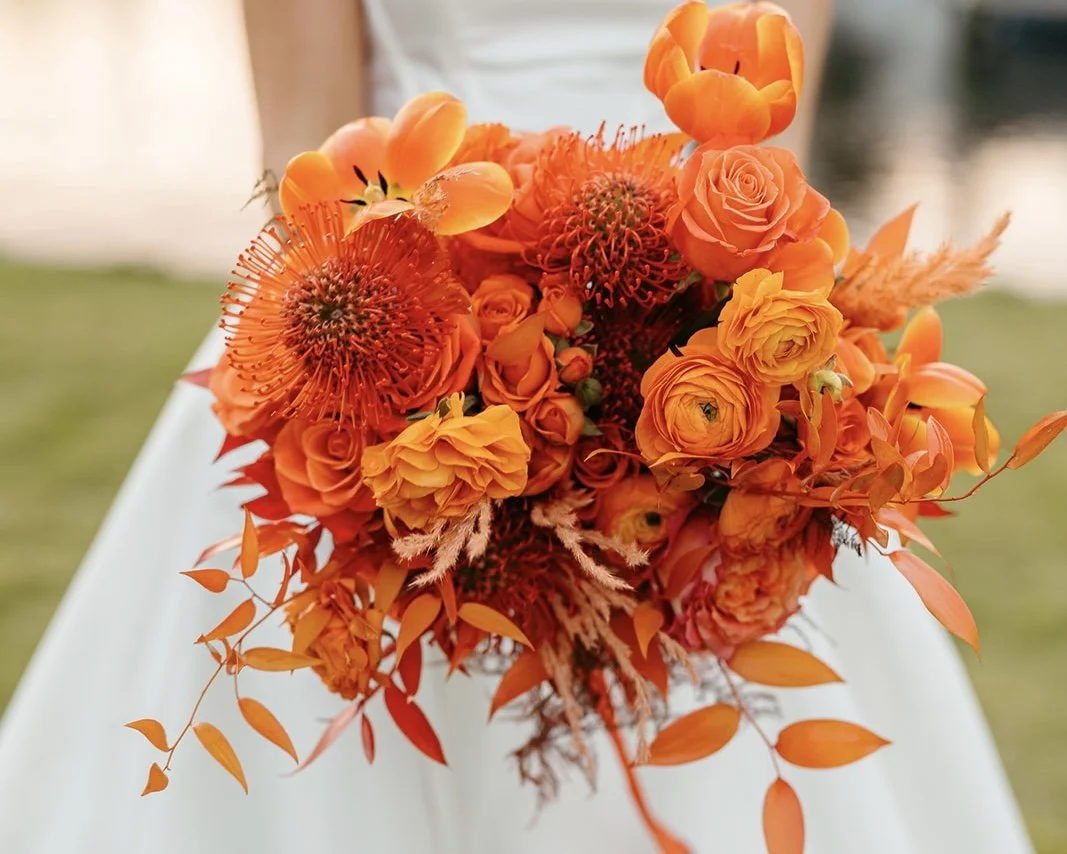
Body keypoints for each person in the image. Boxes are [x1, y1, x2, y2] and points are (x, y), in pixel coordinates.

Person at [0, 1, 1035, 851]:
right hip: (394, 329)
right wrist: (419, 395)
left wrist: (700, 397)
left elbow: (772, 164)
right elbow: (304, 168)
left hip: (690, 343)